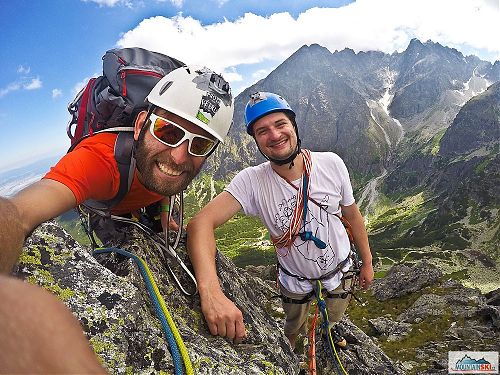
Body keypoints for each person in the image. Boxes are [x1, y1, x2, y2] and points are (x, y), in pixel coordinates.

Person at [0, 65, 234, 372]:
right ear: (140, 126)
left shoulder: (164, 161)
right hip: (112, 207)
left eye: (199, 144)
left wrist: (163, 213)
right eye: (168, 131)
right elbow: (19, 211)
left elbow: (165, 182)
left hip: (144, 202)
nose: (179, 156)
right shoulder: (99, 162)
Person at [187, 92, 374, 349]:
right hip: (294, 280)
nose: (274, 135)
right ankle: (290, 350)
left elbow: (352, 215)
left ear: (293, 126)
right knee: (292, 325)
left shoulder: (332, 164)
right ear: (255, 141)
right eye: (262, 131)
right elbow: (200, 223)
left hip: (340, 272)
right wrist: (212, 294)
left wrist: (367, 262)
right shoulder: (251, 181)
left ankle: (329, 332)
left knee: (334, 315)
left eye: (280, 124)